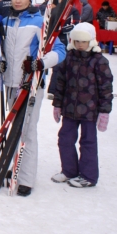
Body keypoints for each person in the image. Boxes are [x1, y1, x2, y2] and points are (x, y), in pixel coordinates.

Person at [0, 0, 66, 197]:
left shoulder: (40, 21)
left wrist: (41, 63)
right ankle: (13, 168)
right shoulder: (7, 21)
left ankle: (26, 178)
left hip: (30, 85)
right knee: (13, 130)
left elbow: (60, 50)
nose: (18, 1)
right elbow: (0, 49)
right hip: (9, 83)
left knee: (27, 131)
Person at [50, 22, 113, 188]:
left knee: (88, 142)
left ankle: (88, 176)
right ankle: (69, 170)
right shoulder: (68, 59)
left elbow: (106, 87)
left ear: (91, 41)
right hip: (69, 109)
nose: (79, 44)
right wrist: (57, 104)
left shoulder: (99, 61)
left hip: (90, 111)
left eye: (83, 41)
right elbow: (60, 83)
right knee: (65, 139)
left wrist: (104, 111)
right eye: (76, 41)